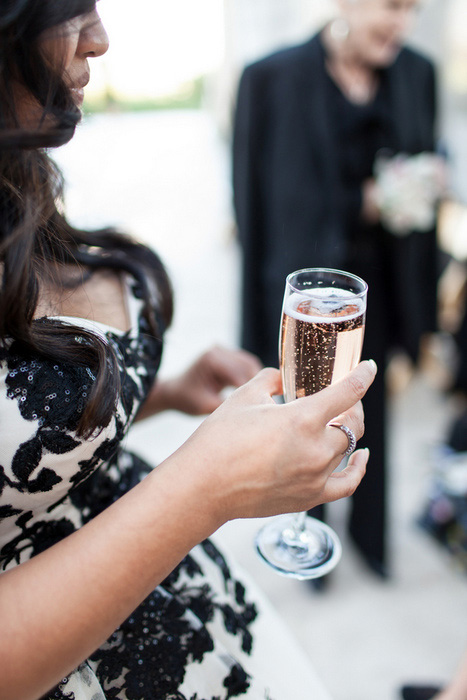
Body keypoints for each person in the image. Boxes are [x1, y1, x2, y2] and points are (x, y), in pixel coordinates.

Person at [0, 2, 377, 699]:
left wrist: (162, 392)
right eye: (66, 9)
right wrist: (205, 488)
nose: (99, 38)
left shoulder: (17, 182)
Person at [233, 0, 443, 578]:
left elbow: (428, 176)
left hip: (384, 290)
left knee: (373, 419)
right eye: (392, 5)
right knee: (309, 422)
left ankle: (374, 548)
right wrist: (256, 324)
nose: (402, 23)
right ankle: (308, 535)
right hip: (304, 301)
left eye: (414, 9)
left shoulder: (419, 73)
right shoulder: (268, 78)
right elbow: (251, 213)